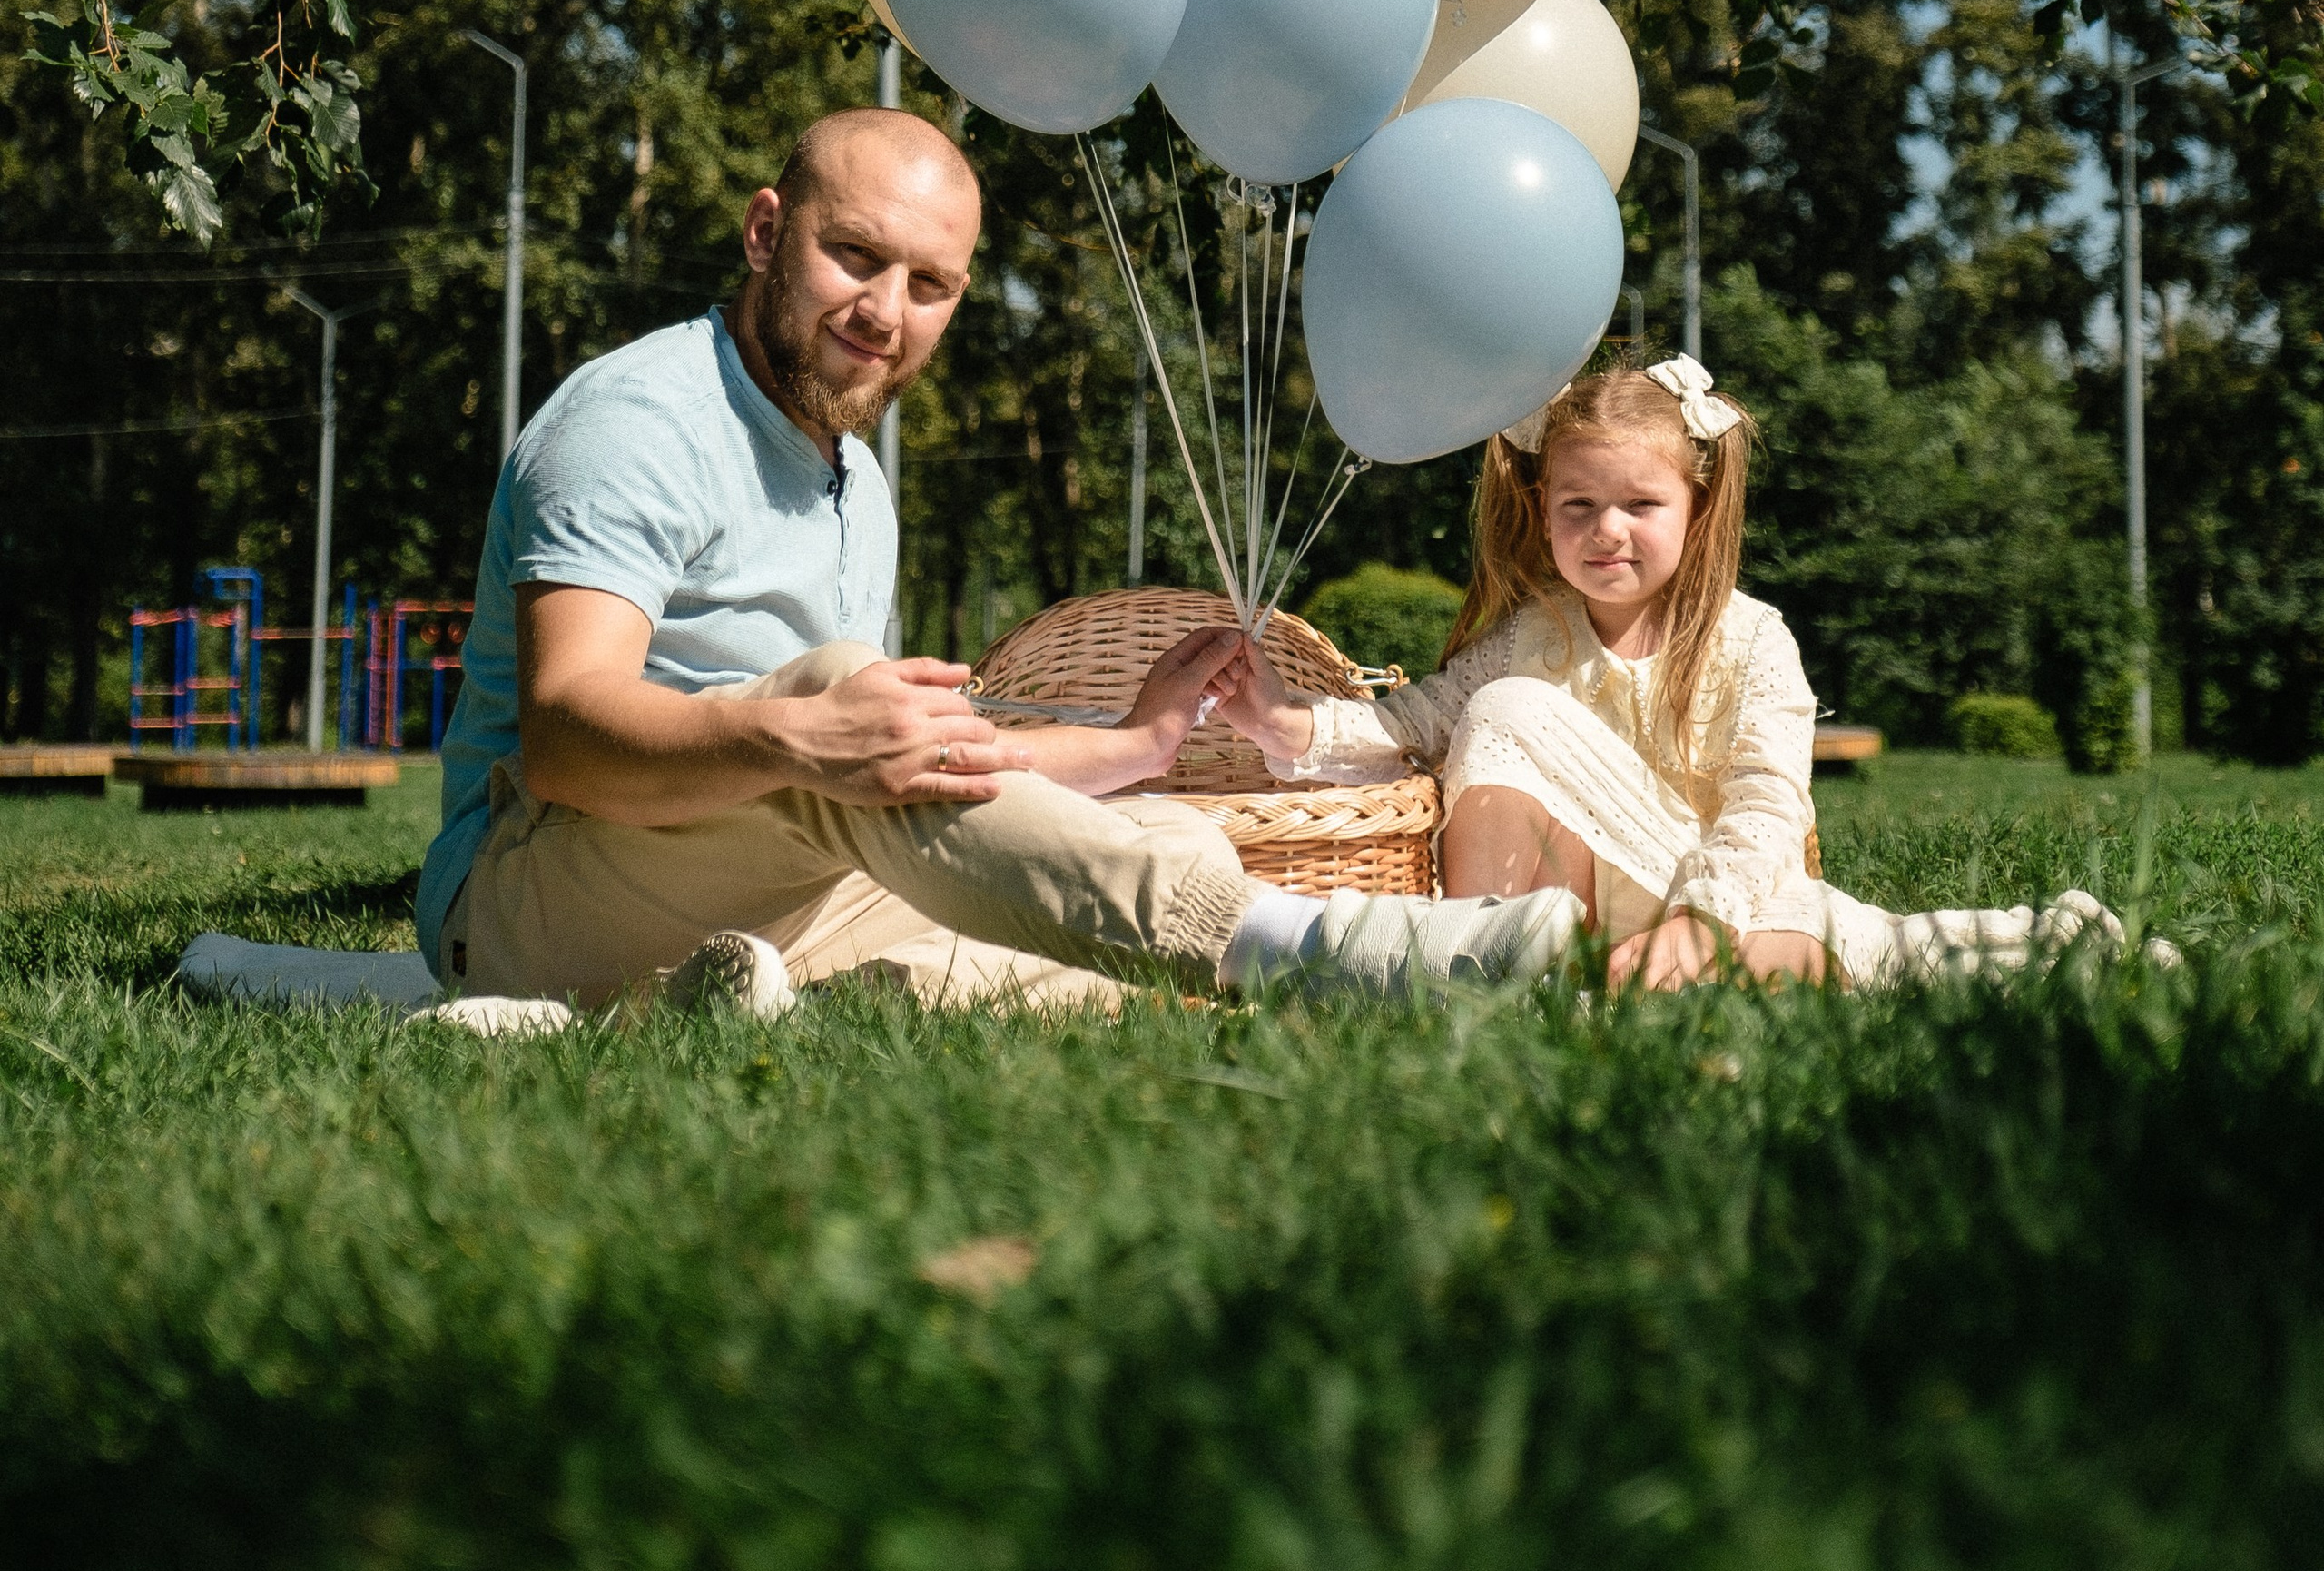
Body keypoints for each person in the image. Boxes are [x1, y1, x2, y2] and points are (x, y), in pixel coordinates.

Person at [416, 105, 1575, 1015]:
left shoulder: (856, 481)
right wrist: (803, 736)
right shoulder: (642, 420)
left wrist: (1137, 747)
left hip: (758, 887)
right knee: (837, 694)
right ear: (766, 233)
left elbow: (903, 771)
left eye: (929, 286)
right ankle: (1318, 951)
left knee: (1174, 837)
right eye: (853, 256)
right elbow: (565, 742)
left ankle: (779, 1001)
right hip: (528, 892)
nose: (884, 312)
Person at [1205, 355, 2125, 990]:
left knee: (1849, 954)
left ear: (1697, 503)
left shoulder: (1751, 640)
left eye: (1641, 503)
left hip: (1719, 891)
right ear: (1542, 508)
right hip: (1574, 909)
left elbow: (1766, 807)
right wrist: (1281, 720)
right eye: (1578, 504)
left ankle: (2033, 949)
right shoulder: (1532, 636)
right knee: (1501, 710)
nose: (1607, 530)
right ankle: (1492, 958)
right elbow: (1409, 725)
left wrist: (1701, 924)